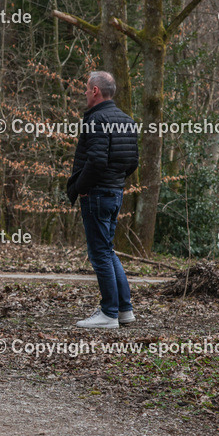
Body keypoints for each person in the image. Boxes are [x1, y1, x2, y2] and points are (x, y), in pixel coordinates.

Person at [66, 71, 139, 328]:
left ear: (95, 91)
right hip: (115, 192)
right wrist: (115, 180)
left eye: (87, 89)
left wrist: (80, 187)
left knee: (99, 254)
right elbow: (132, 162)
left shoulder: (97, 119)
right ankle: (124, 309)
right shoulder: (127, 120)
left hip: (97, 194)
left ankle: (108, 312)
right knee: (108, 251)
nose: (85, 93)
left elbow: (96, 161)